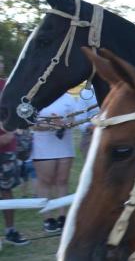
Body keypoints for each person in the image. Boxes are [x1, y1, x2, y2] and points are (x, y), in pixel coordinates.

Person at [32, 92, 77, 233]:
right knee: (46, 181)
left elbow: (74, 120)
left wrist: (64, 124)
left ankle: (62, 216)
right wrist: (50, 124)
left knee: (62, 180)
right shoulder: (37, 97)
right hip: (43, 145)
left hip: (64, 144)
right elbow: (31, 124)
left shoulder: (68, 98)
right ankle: (48, 218)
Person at [0, 61, 30, 246]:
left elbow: (19, 111)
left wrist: (10, 133)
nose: (0, 64)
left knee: (6, 190)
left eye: (1, 61)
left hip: (6, 149)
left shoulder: (9, 87)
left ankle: (10, 232)